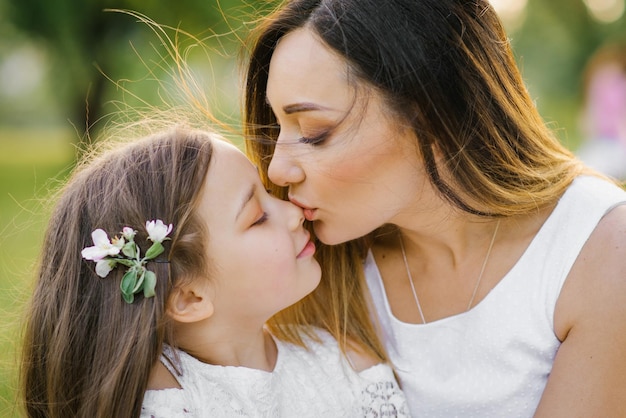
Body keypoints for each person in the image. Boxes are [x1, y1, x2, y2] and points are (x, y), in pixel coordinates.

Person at [242, 0, 626, 416]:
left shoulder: (599, 250)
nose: (277, 170)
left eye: (316, 133)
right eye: (276, 129)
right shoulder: (317, 270)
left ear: (430, 114)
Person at [19, 125, 410, 417]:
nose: (293, 213)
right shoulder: (171, 400)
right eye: (258, 218)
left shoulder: (345, 364)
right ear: (188, 297)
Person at [576, 41, 626, 181]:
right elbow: (588, 120)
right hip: (600, 142)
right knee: (581, 168)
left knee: (593, 170)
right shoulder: (598, 84)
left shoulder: (621, 86)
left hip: (616, 144)